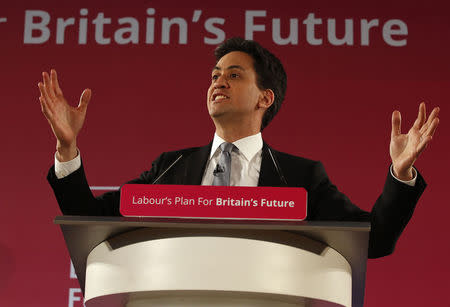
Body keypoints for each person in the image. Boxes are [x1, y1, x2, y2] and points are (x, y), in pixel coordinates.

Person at [39, 37, 440, 258]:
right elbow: (87, 220)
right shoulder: (171, 167)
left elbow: (376, 239)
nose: (218, 82)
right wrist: (67, 148)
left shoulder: (301, 177)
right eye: (215, 75)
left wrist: (400, 174)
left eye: (234, 75)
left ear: (265, 98)